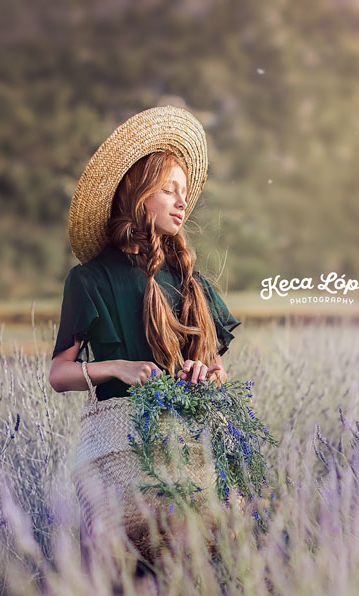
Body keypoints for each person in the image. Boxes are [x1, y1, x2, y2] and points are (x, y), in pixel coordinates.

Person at [48, 105, 242, 571]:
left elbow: (218, 372)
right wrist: (117, 368)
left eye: (184, 193)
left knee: (191, 575)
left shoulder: (189, 282)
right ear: (137, 196)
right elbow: (58, 374)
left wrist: (204, 372)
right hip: (118, 453)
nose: (182, 202)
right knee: (122, 580)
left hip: (184, 453)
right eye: (168, 191)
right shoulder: (89, 280)